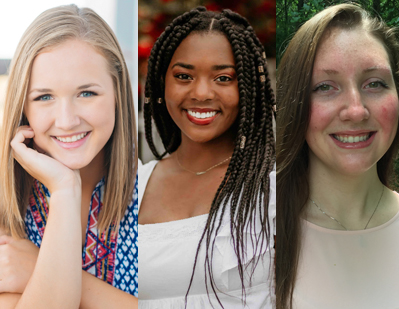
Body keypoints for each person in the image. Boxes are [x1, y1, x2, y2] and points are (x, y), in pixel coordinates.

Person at [0, 5, 138, 308]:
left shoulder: (153, 190)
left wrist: (37, 268)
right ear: (23, 106)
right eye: (44, 97)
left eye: (86, 93)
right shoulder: (5, 203)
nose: (66, 121)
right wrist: (65, 188)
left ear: (117, 93)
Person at [138, 7, 276, 308]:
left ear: (249, 89)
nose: (201, 93)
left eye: (223, 78)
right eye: (184, 76)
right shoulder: (132, 186)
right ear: (163, 84)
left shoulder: (277, 188)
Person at [276, 3, 399, 309]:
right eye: (325, 87)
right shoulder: (259, 236)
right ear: (295, 105)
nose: (356, 110)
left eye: (374, 83)